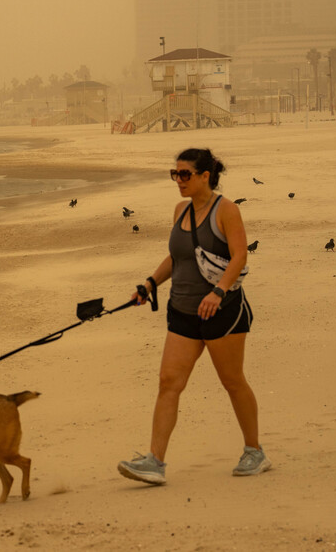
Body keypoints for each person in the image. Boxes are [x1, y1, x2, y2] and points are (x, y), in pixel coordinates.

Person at [118, 148, 269, 485]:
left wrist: (219, 292)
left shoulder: (225, 210)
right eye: (175, 174)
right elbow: (177, 258)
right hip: (182, 312)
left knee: (232, 382)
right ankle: (155, 461)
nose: (178, 180)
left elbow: (240, 255)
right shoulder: (180, 211)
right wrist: (149, 283)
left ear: (205, 176)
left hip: (222, 313)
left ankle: (254, 451)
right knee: (168, 383)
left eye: (185, 174)